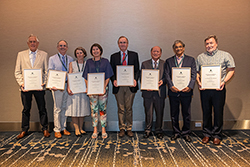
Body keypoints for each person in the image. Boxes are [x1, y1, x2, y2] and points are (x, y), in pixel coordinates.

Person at [196, 35, 235, 145]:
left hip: (219, 89)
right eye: (207, 44)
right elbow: (196, 72)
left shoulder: (225, 55)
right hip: (205, 89)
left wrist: (224, 81)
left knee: (218, 112)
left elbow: (231, 70)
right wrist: (199, 82)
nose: (209, 45)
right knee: (206, 112)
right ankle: (207, 134)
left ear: (216, 43)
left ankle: (217, 135)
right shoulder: (200, 57)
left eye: (211, 43)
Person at [14, 34, 50, 139]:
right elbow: (17, 72)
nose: (33, 43)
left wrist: (44, 83)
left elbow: (46, 71)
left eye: (34, 42)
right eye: (31, 41)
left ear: (37, 43)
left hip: (39, 87)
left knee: (42, 108)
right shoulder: (21, 54)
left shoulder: (44, 54)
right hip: (26, 88)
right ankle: (24, 130)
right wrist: (22, 84)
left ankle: (45, 128)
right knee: (26, 109)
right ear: (28, 43)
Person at [164, 40, 196, 142]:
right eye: (176, 47)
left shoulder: (191, 60)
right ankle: (176, 132)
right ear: (174, 49)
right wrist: (171, 86)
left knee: (186, 113)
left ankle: (186, 132)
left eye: (180, 47)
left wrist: (190, 86)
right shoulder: (169, 61)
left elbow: (194, 75)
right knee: (174, 113)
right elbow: (167, 75)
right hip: (173, 91)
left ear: (184, 48)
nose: (178, 48)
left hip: (186, 91)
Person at [110, 36, 140, 137]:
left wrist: (135, 79)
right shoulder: (113, 56)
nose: (123, 44)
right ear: (118, 44)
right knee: (121, 108)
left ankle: (129, 128)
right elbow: (111, 71)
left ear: (127, 44)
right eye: (121, 42)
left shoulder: (134, 55)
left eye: (124, 42)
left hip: (130, 86)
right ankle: (122, 128)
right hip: (119, 86)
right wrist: (114, 79)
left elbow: (137, 70)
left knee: (129, 108)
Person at [83, 43, 114, 139]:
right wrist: (88, 87)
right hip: (92, 90)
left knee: (102, 110)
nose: (95, 51)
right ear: (91, 52)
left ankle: (103, 129)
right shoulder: (88, 62)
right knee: (94, 110)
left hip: (103, 90)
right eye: (93, 49)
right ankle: (95, 129)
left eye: (97, 49)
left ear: (100, 50)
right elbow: (86, 76)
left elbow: (108, 76)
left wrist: (104, 87)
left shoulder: (105, 61)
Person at [48, 40, 74, 138]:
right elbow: (49, 71)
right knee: (57, 108)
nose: (62, 47)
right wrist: (51, 85)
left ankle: (63, 128)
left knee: (65, 108)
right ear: (57, 47)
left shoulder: (70, 59)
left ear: (67, 47)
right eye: (60, 46)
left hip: (67, 85)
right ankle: (57, 129)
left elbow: (71, 73)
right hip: (57, 87)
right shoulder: (52, 59)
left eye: (64, 46)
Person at [141, 46, 166, 139]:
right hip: (148, 93)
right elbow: (141, 76)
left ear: (160, 53)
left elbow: (167, 76)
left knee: (159, 112)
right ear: (151, 52)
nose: (156, 53)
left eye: (158, 51)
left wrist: (163, 81)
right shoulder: (144, 64)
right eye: (154, 51)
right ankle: (148, 130)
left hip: (160, 92)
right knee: (148, 112)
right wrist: (146, 85)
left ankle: (159, 130)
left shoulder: (164, 63)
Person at [66, 47, 90, 137]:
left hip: (83, 90)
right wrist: (68, 88)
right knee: (74, 109)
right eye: (77, 53)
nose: (79, 55)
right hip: (74, 90)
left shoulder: (87, 63)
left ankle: (81, 128)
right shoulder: (72, 64)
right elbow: (69, 76)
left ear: (84, 54)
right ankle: (76, 129)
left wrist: (88, 87)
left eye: (81, 53)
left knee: (82, 109)